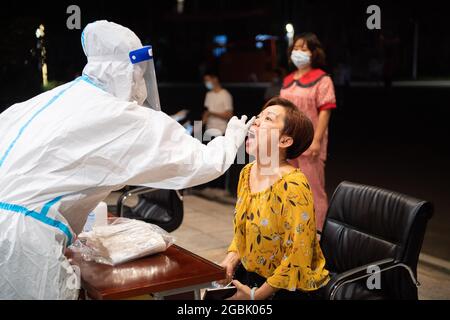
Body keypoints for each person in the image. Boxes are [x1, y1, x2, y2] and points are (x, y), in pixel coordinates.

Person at [0, 20, 254, 299]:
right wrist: (230, 141)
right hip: (25, 244)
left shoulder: (51, 100)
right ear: (127, 70)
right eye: (139, 73)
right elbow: (199, 163)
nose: (141, 81)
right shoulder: (119, 114)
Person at [220, 97, 330, 300]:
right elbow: (244, 230)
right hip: (252, 275)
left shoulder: (293, 184)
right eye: (259, 116)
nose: (256, 121)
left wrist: (257, 296)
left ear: (285, 141)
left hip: (289, 287)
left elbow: (298, 254)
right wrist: (231, 258)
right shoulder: (247, 172)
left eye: (268, 119)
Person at [280, 32, 336, 232]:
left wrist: (317, 140)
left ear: (313, 53)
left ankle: (319, 232)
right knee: (289, 187)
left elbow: (325, 111)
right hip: (287, 143)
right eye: (296, 48)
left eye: (303, 49)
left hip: (310, 144)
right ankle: (294, 228)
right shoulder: (287, 80)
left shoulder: (322, 80)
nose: (298, 53)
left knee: (313, 189)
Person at [201, 71, 234, 190]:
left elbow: (229, 114)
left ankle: (220, 188)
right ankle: (210, 186)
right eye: (205, 80)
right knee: (209, 160)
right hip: (209, 130)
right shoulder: (209, 94)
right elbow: (206, 112)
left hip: (221, 130)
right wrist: (201, 125)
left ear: (215, 79)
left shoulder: (225, 94)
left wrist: (212, 113)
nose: (206, 83)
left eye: (208, 79)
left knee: (221, 161)